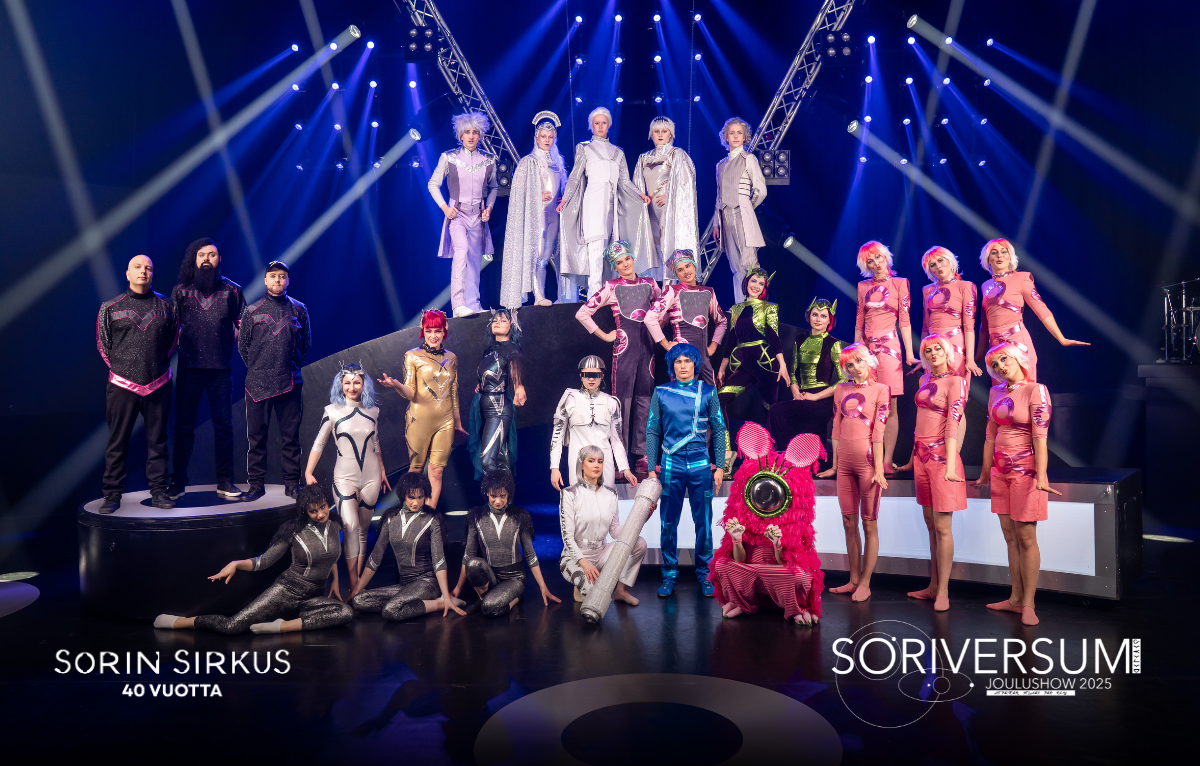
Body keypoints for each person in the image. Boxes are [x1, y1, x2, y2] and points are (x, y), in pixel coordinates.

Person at [153, 483, 353, 634]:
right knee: (232, 626)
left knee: (345, 613)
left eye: (323, 507)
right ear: (305, 511)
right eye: (313, 511)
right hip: (287, 590)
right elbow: (263, 561)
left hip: (313, 595)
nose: (320, 514)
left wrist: (335, 580)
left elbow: (329, 555)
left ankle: (281, 627)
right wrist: (236, 564)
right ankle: (177, 622)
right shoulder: (293, 531)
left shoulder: (335, 524)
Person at [975, 341, 1058, 627]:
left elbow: (1040, 438)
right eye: (994, 364)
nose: (1000, 367)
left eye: (1004, 360)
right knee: (1010, 536)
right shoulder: (995, 392)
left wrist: (1041, 476)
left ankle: (1029, 604)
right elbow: (989, 436)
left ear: (1018, 359)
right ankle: (1015, 599)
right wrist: (985, 474)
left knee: (1026, 537)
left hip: (1026, 471)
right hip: (1000, 471)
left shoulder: (1036, 390)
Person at [711, 424, 825, 625]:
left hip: (777, 573)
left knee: (798, 576)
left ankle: (795, 608)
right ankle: (743, 604)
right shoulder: (745, 519)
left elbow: (788, 564)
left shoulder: (791, 523)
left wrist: (778, 544)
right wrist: (736, 540)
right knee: (721, 564)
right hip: (750, 571)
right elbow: (740, 559)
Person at [97, 254, 179, 513]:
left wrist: (155, 369)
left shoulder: (168, 306)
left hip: (158, 383)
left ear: (152, 274)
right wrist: (124, 371)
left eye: (148, 268)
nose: (143, 271)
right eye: (137, 267)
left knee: (158, 441)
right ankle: (112, 494)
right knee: (117, 441)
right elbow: (104, 346)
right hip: (122, 385)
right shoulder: (110, 307)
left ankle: (159, 491)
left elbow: (172, 342)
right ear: (128, 273)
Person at [645, 343, 727, 598]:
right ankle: (669, 575)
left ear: (695, 364)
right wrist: (651, 470)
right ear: (672, 365)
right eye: (678, 361)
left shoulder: (708, 391)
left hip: (701, 464)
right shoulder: (661, 392)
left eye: (687, 361)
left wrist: (720, 466)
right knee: (668, 523)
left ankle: (705, 575)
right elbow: (652, 430)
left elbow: (720, 429)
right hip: (671, 464)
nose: (683, 366)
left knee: (703, 523)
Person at [893, 335, 968, 611]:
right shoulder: (924, 380)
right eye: (928, 350)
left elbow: (954, 422)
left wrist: (950, 463)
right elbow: (919, 424)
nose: (933, 353)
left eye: (938, 348)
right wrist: (911, 460)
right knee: (930, 525)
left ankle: (944, 591)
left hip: (942, 458)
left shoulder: (957, 381)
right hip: (922, 458)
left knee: (943, 527)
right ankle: (934, 586)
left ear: (947, 352)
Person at [574, 239, 662, 472]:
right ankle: (618, 458)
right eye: (619, 262)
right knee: (621, 403)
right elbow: (583, 313)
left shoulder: (651, 284)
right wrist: (605, 335)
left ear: (633, 258)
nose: (625, 264)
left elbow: (662, 311)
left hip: (648, 349)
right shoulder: (612, 286)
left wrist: (658, 332)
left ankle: (643, 455)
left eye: (627, 259)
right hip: (624, 349)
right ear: (615, 267)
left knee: (645, 400)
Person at [169, 238, 245, 500]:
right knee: (184, 427)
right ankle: (177, 482)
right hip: (189, 368)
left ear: (219, 259)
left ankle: (225, 481)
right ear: (194, 259)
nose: (206, 259)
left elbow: (243, 325)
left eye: (211, 254)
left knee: (223, 426)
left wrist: (231, 344)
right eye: (201, 254)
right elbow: (171, 327)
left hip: (221, 369)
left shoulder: (232, 291)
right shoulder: (181, 291)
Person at [305, 363, 389, 594]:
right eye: (347, 383)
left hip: (372, 477)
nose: (352, 387)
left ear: (364, 384)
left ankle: (357, 584)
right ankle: (353, 584)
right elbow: (319, 443)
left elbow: (376, 443)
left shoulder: (373, 411)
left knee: (362, 530)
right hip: (344, 477)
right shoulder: (332, 411)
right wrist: (308, 472)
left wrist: (382, 471)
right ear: (340, 385)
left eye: (357, 382)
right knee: (350, 527)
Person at [556, 106, 654, 301]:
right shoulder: (584, 148)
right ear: (591, 126)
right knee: (595, 248)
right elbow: (575, 177)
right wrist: (565, 199)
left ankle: (611, 294)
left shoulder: (618, 152)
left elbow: (625, 181)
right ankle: (594, 296)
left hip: (612, 206)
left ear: (609, 125)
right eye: (596, 123)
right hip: (593, 202)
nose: (600, 126)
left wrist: (640, 194)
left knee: (612, 251)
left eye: (604, 123)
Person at [819, 342, 890, 602]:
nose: (856, 367)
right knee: (849, 522)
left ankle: (865, 583)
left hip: (867, 464)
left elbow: (879, 432)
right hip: (845, 465)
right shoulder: (841, 389)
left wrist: (879, 469)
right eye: (850, 364)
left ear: (868, 361)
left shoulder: (881, 390)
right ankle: (853, 580)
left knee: (869, 523)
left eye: (859, 361)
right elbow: (836, 428)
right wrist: (835, 465)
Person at [377, 309, 466, 510]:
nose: (433, 335)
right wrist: (396, 385)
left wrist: (458, 422)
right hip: (419, 420)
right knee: (416, 469)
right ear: (422, 331)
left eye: (437, 330)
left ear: (444, 330)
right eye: (429, 331)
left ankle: (429, 515)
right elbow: (410, 393)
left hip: (446, 421)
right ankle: (410, 512)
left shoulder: (452, 358)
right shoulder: (412, 356)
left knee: (437, 471)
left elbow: (453, 391)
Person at [239, 260, 312, 502]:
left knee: (290, 438)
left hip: (289, 382)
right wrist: (259, 368)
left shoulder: (299, 309)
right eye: (273, 276)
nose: (277, 280)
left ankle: (292, 484)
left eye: (282, 276)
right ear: (265, 281)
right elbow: (243, 347)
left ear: (287, 280)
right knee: (256, 439)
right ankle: (255, 485)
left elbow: (306, 344)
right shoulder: (251, 310)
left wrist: (289, 366)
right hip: (257, 384)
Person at [348, 472, 467, 620]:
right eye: (411, 497)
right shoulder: (390, 518)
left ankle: (441, 603)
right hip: (404, 584)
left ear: (425, 496)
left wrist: (446, 595)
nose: (416, 503)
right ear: (403, 494)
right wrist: (357, 589)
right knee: (359, 601)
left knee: (391, 610)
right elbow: (375, 557)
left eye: (420, 497)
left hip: (426, 582)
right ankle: (405, 601)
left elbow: (439, 560)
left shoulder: (432, 519)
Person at [976, 238, 1089, 381]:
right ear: (988, 259)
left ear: (1010, 257)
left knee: (1024, 386)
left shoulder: (1021, 278)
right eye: (994, 252)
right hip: (995, 346)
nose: (999, 255)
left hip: (1016, 339)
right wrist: (979, 355)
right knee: (1002, 390)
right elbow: (984, 325)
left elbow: (1040, 309)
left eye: (1004, 252)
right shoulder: (985, 286)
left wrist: (1061, 338)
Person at [452, 470, 561, 616]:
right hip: (490, 575)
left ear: (508, 493)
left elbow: (530, 555)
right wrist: (458, 588)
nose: (498, 501)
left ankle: (514, 598)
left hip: (514, 577)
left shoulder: (520, 516)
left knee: (490, 609)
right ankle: (484, 599)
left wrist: (543, 587)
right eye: (493, 496)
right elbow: (468, 555)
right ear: (487, 493)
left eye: (502, 496)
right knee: (473, 564)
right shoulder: (476, 516)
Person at [428, 112, 500, 317]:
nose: (471, 136)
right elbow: (433, 184)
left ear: (480, 135)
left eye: (475, 132)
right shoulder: (449, 157)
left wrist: (489, 208)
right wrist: (445, 208)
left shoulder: (489, 159)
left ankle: (474, 304)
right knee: (462, 251)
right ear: (460, 135)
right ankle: (458, 304)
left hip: (477, 216)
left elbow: (494, 187)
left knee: (475, 260)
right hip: (457, 215)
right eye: (467, 132)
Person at [854, 241, 917, 471]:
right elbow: (859, 321)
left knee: (890, 405)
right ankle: (868, 457)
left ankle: (887, 460)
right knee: (866, 403)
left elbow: (905, 321)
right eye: (870, 261)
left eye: (878, 257)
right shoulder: (863, 286)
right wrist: (856, 351)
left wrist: (910, 353)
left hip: (890, 348)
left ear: (886, 257)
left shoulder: (900, 283)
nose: (876, 263)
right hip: (866, 350)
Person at [559, 446, 646, 606]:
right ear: (581, 464)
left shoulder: (610, 494)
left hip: (601, 552)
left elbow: (615, 530)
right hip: (575, 557)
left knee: (639, 543)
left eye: (600, 461)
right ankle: (581, 584)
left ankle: (621, 591)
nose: (596, 465)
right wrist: (585, 564)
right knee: (595, 597)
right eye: (591, 461)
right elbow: (567, 538)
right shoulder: (569, 494)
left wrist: (642, 518)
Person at [500, 111, 569, 308]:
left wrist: (561, 198)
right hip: (538, 214)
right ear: (536, 138)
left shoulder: (558, 163)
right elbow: (518, 191)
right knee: (537, 255)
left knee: (547, 256)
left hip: (554, 214)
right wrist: (537, 195)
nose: (547, 140)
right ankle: (538, 295)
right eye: (543, 136)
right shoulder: (528, 162)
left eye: (550, 137)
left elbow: (561, 187)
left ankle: (549, 294)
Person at [918, 246, 981, 451]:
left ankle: (954, 458)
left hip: (955, 349)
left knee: (956, 404)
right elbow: (926, 327)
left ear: (951, 261)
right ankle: (934, 453)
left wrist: (970, 359)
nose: (938, 266)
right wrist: (922, 357)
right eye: (932, 264)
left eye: (941, 261)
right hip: (932, 351)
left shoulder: (966, 286)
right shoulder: (927, 290)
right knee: (932, 402)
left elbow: (969, 326)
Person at [768, 297, 846, 451]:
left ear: (829, 320)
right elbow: (793, 373)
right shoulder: (799, 340)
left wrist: (815, 396)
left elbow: (843, 380)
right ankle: (793, 456)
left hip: (822, 398)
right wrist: (796, 394)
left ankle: (787, 455)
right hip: (802, 395)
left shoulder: (833, 344)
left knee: (778, 412)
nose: (818, 319)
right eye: (815, 314)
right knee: (787, 418)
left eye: (823, 316)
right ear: (809, 315)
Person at [550, 355, 638, 490]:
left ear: (602, 376)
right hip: (578, 461)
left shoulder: (611, 402)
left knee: (606, 499)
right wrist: (554, 468)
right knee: (580, 500)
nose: (591, 379)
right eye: (587, 375)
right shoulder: (569, 400)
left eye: (595, 375)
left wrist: (625, 469)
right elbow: (557, 436)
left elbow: (617, 440)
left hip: (604, 462)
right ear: (581, 375)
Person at [645, 249, 728, 386]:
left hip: (703, 358)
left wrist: (713, 347)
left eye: (688, 266)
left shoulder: (708, 292)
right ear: (676, 274)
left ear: (694, 266)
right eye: (680, 269)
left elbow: (722, 321)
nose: (686, 271)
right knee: (683, 396)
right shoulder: (672, 291)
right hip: (682, 356)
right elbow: (649, 318)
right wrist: (666, 344)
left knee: (712, 395)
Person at [717, 268, 790, 425]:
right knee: (719, 399)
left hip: (767, 365)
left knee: (769, 411)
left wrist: (783, 365)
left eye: (761, 284)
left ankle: (771, 441)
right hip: (745, 366)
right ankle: (724, 441)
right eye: (753, 281)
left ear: (765, 288)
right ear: (747, 282)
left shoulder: (769, 307)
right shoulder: (736, 309)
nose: (756, 286)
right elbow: (731, 340)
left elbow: (774, 337)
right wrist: (722, 369)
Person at [632, 116, 698, 273]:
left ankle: (671, 284)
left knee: (666, 246)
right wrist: (641, 200)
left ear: (671, 134)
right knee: (651, 249)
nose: (660, 134)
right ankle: (654, 284)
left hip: (666, 207)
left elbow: (686, 181)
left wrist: (669, 196)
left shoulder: (677, 154)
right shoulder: (644, 157)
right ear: (651, 134)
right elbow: (636, 184)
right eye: (656, 131)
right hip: (648, 209)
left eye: (664, 131)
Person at [713, 117, 767, 303]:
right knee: (735, 265)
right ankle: (740, 306)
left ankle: (756, 307)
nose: (736, 136)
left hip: (742, 214)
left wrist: (747, 207)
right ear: (726, 137)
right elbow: (719, 196)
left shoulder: (748, 159)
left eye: (739, 133)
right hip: (725, 216)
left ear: (745, 137)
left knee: (749, 263)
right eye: (732, 132)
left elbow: (761, 190)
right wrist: (716, 223)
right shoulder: (721, 165)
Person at [468, 308, 526, 477]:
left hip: (498, 410)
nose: (497, 323)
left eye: (503, 320)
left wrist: (519, 386)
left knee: (487, 461)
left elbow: (515, 370)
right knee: (501, 459)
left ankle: (498, 491)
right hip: (483, 409)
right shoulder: (488, 351)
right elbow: (491, 374)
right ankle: (503, 493)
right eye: (495, 320)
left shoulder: (513, 350)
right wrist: (481, 385)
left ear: (511, 326)